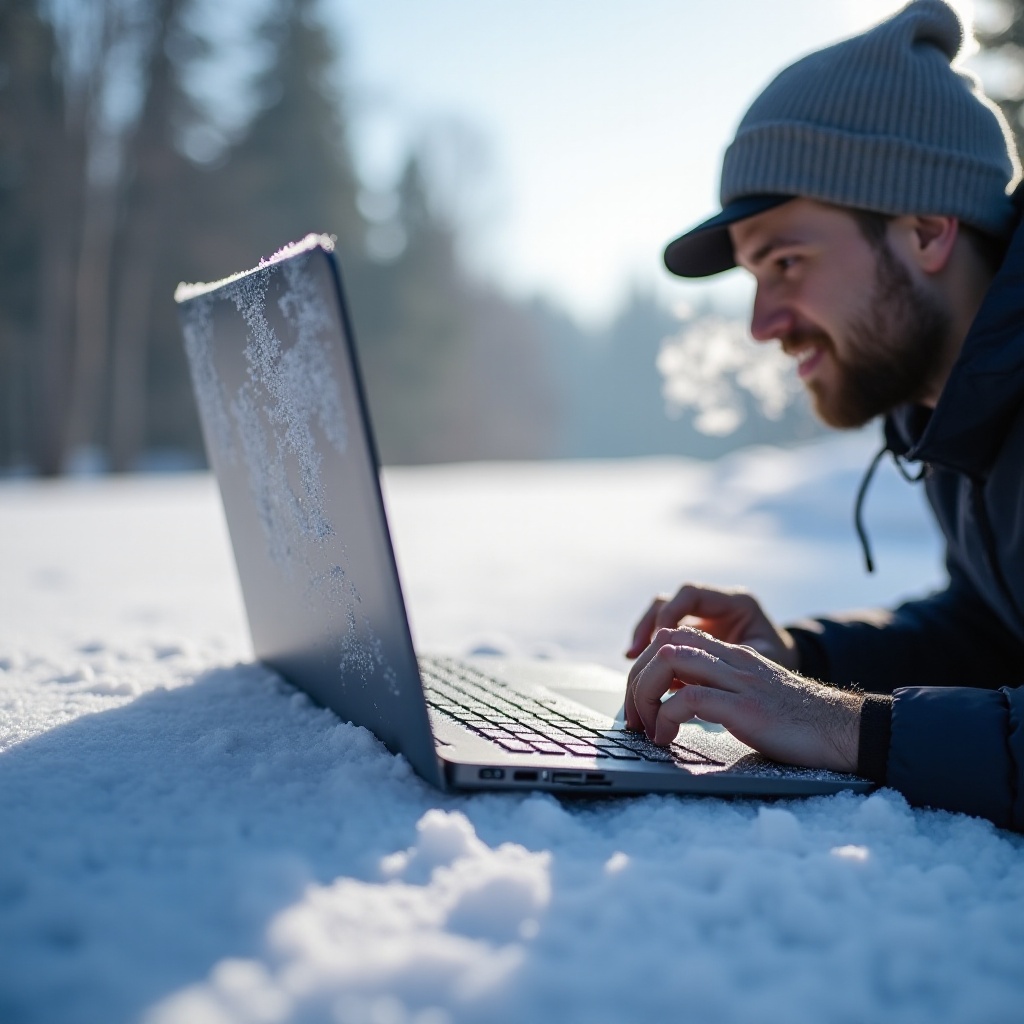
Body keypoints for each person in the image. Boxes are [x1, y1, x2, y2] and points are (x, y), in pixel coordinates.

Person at [624, 0, 1024, 832]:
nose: (763, 323)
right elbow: (996, 629)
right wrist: (805, 661)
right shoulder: (956, 408)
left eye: (786, 261)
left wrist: (836, 723)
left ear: (924, 230)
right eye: (753, 275)